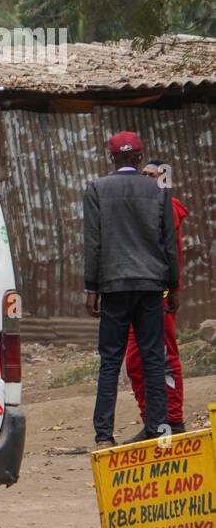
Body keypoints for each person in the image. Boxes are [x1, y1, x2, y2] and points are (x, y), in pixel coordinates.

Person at [84, 132, 180, 448]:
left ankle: (103, 435)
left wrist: (91, 287)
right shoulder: (159, 189)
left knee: (110, 360)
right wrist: (174, 285)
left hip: (113, 285)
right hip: (151, 286)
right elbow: (168, 241)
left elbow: (94, 243)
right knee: (154, 358)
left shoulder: (97, 188)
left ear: (112, 157)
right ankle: (158, 429)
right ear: (139, 158)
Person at [123, 160, 188, 432]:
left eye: (153, 175)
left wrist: (172, 289)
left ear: (164, 180)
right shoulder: (144, 209)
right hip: (137, 293)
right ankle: (152, 421)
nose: (147, 179)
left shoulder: (167, 210)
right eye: (144, 174)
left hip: (158, 294)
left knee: (162, 357)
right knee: (135, 362)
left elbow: (171, 254)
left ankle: (172, 420)